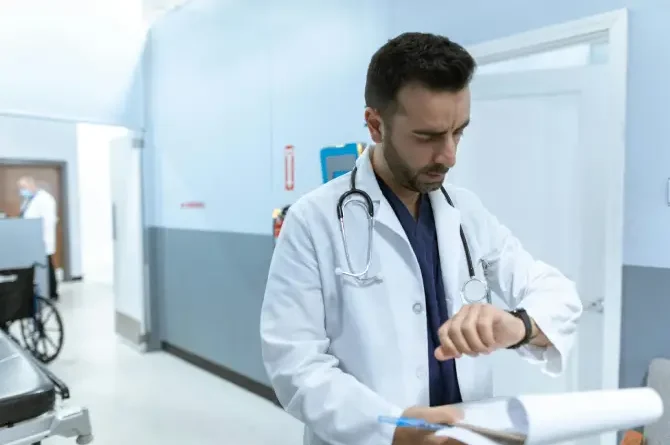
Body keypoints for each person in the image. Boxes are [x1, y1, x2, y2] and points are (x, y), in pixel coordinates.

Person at [260, 32, 583, 445]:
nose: (449, 155)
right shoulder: (313, 220)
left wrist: (517, 326)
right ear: (376, 125)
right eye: (428, 137)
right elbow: (296, 366)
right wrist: (394, 429)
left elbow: (556, 293)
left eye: (459, 132)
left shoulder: (466, 212)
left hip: (469, 436)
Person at [18, 176, 59, 301]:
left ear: (31, 185)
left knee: (47, 266)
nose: (21, 190)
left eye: (23, 187)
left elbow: (48, 221)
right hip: (31, 239)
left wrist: (40, 238)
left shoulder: (45, 199)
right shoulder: (29, 199)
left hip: (42, 239)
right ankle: (41, 291)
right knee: (41, 267)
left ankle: (52, 293)